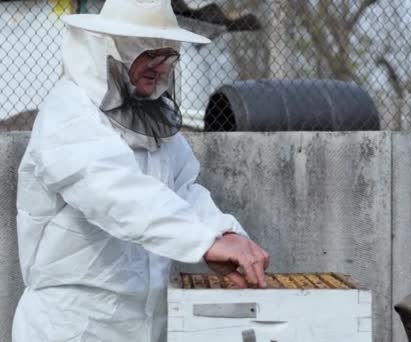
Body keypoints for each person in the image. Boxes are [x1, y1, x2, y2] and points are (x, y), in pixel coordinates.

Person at [12, 0, 269, 341]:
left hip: (145, 321)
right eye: (148, 54)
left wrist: (224, 233)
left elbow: (181, 190)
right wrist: (202, 242)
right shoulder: (69, 110)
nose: (160, 67)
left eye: (167, 56)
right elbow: (115, 192)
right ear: (113, 48)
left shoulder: (151, 115)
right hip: (74, 324)